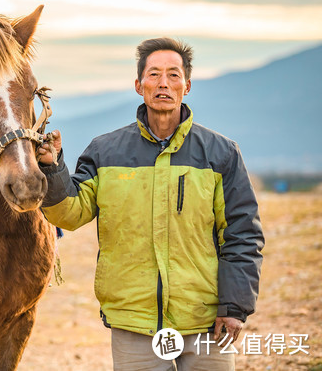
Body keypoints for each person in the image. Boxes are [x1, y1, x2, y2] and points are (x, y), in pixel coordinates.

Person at [38, 37, 264, 370]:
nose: (163, 83)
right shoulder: (105, 151)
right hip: (134, 321)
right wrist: (53, 167)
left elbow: (243, 234)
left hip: (204, 320)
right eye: (154, 74)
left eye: (173, 75)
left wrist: (234, 307)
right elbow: (71, 214)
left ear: (186, 86)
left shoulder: (221, 153)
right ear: (138, 85)